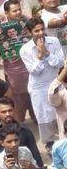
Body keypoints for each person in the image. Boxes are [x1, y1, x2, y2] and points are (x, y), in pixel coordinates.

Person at [19, 17, 65, 147]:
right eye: (36, 31)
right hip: (38, 87)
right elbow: (34, 71)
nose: (40, 33)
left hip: (55, 82)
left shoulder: (54, 41)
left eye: (41, 29)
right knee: (44, 117)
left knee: (61, 112)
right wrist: (40, 55)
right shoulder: (25, 49)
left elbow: (60, 63)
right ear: (29, 32)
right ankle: (50, 144)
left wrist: (47, 53)